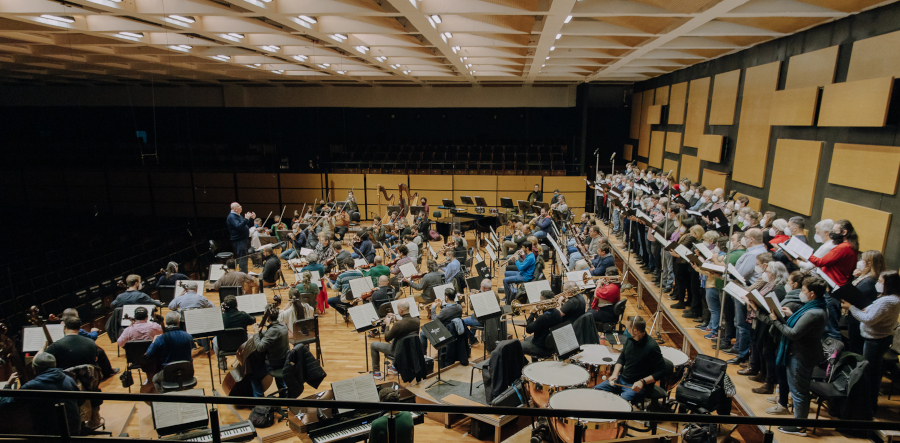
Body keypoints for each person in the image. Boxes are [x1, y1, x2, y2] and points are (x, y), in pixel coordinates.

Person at [765, 276, 828, 437]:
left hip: (801, 355)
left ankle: (800, 426)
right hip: (800, 353)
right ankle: (799, 422)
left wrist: (776, 320)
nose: (801, 293)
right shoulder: (813, 307)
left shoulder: (814, 312)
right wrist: (791, 314)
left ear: (812, 294)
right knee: (799, 389)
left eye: (804, 290)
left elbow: (792, 334)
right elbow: (801, 325)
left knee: (799, 390)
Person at [844, 270, 900, 418]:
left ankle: (868, 408)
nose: (877, 284)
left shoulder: (888, 301)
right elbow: (873, 312)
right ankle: (868, 405)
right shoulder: (889, 298)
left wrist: (851, 307)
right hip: (877, 339)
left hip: (876, 341)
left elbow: (868, 318)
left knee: (871, 374)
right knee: (872, 373)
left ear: (888, 284)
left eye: (881, 282)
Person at [0, 353, 82, 436]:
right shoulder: (69, 380)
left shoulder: (32, 386)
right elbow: (80, 401)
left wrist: (8, 385)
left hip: (50, 434)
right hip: (74, 430)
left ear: (34, 368)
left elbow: (5, 404)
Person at [803, 219, 858, 340]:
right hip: (837, 287)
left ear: (844, 232)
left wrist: (804, 253)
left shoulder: (843, 247)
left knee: (831, 328)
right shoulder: (851, 245)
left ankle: (832, 356)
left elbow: (820, 261)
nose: (832, 233)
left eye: (835, 230)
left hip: (833, 288)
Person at [594, 316, 667, 403]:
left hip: (637, 386)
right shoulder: (630, 339)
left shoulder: (652, 347)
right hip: (622, 379)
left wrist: (642, 382)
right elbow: (622, 358)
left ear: (635, 331)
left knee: (620, 405)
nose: (625, 331)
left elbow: (662, 371)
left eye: (628, 328)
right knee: (595, 391)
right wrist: (614, 374)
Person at [726, 228, 766, 365]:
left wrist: (732, 273)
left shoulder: (753, 254)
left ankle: (741, 354)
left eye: (746, 236)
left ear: (751, 239)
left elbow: (741, 273)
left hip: (745, 291)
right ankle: (738, 348)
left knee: (742, 325)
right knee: (740, 324)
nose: (744, 239)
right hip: (746, 290)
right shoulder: (756, 251)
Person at [146, 311, 195, 392]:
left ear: (166, 322)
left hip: (168, 374)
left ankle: (165, 399)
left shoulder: (160, 339)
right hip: (187, 372)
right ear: (178, 322)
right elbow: (191, 349)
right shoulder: (188, 336)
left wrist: (154, 342)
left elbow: (149, 355)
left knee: (155, 380)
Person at [372, 299, 420, 380]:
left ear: (401, 310)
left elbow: (387, 338)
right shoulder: (417, 321)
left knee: (373, 345)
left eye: (398, 309)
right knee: (396, 338)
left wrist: (387, 324)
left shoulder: (398, 325)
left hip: (398, 351)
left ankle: (376, 373)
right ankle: (394, 367)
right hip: (411, 350)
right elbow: (406, 324)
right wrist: (396, 319)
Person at [250, 304, 289, 398]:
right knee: (279, 377)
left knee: (254, 376)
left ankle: (260, 401)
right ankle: (284, 394)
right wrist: (260, 332)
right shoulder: (283, 325)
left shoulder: (273, 331)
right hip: (284, 361)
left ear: (267, 317)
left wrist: (255, 334)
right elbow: (269, 333)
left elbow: (260, 347)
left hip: (274, 364)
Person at [522, 290, 563, 359]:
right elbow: (542, 325)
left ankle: (525, 365)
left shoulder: (543, 318)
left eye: (541, 300)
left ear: (545, 302)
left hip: (541, 348)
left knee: (518, 346)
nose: (539, 302)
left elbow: (528, 330)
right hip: (552, 345)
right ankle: (534, 363)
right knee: (527, 339)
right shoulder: (557, 312)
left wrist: (532, 314)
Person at [462, 279, 494, 345]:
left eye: (480, 286)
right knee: (472, 316)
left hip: (481, 320)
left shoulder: (481, 297)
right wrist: (478, 294)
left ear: (483, 287)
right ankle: (472, 339)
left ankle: (472, 338)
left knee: (461, 322)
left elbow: (471, 308)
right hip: (491, 320)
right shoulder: (494, 294)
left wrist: (472, 297)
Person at [227, 202, 256, 273]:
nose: (241, 207)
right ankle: (243, 274)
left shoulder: (237, 215)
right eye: (239, 206)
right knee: (242, 258)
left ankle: (244, 273)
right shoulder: (232, 217)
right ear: (235, 209)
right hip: (239, 240)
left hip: (243, 239)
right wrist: (246, 219)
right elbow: (238, 226)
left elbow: (244, 225)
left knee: (244, 258)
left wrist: (251, 219)